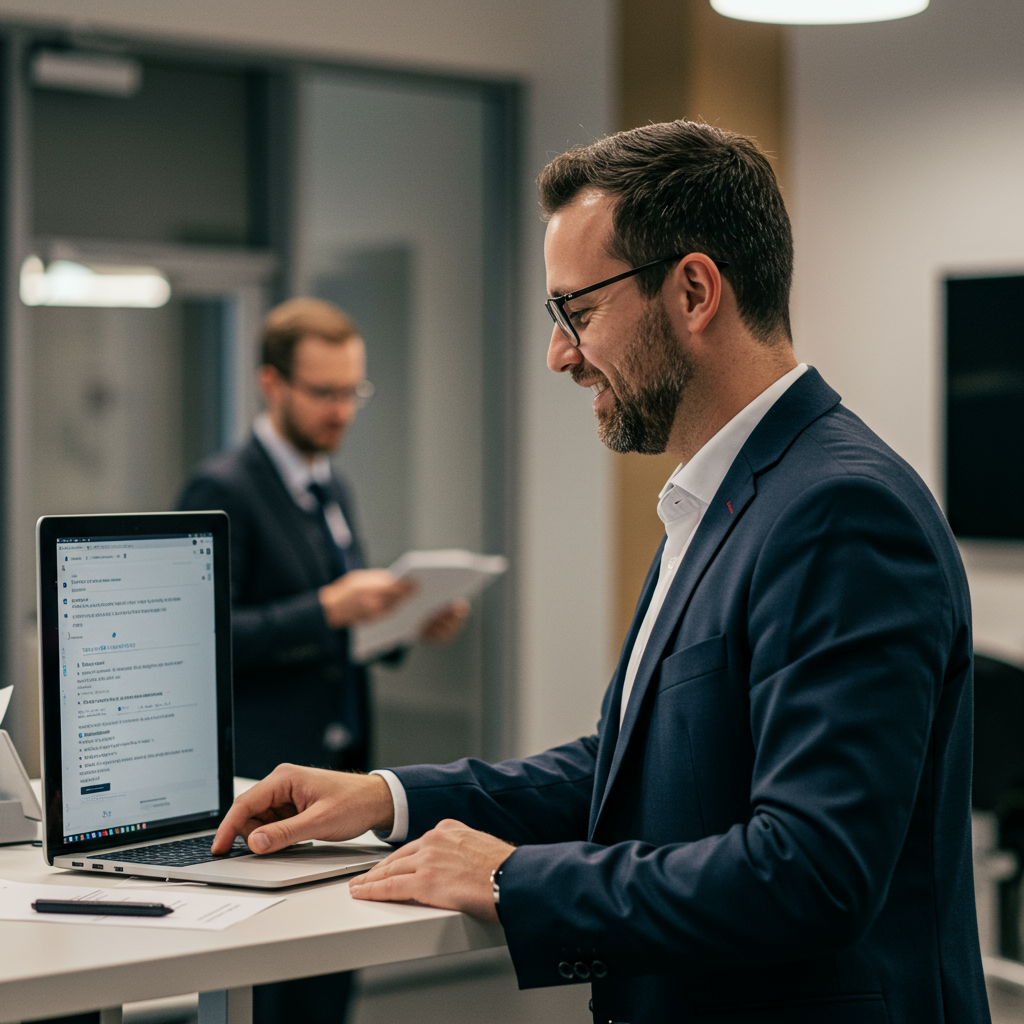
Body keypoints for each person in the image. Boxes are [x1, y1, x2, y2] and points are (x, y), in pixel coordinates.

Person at [211, 123, 989, 1024]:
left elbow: (811, 873)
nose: (560, 355)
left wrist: (510, 877)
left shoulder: (842, 511)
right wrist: (389, 798)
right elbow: (631, 772)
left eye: (576, 311)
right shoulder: (727, 494)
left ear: (694, 290)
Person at [178, 297, 467, 1024]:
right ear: (270, 385)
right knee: (271, 989)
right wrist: (329, 608)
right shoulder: (224, 488)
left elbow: (340, 629)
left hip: (337, 771)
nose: (342, 411)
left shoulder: (331, 483)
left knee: (329, 984)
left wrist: (404, 621)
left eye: (353, 392)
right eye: (325, 392)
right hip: (265, 778)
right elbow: (199, 641)